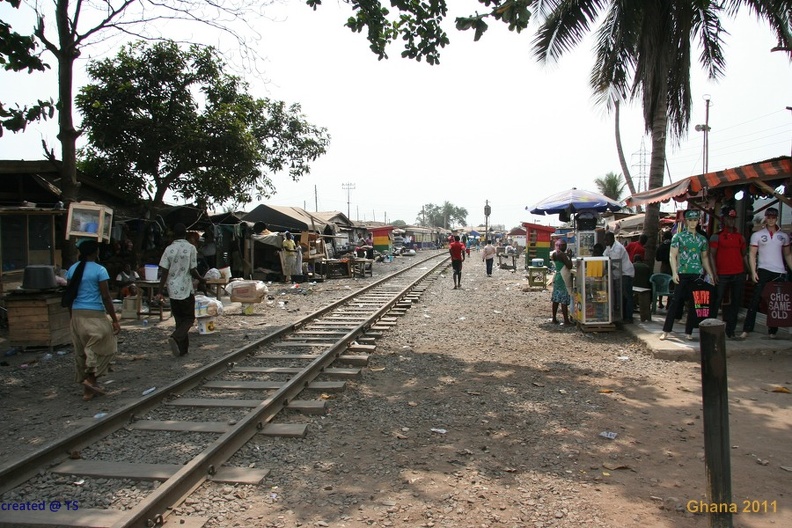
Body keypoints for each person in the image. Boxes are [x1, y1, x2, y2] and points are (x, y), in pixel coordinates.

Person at [65, 240, 121, 401]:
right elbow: (106, 297)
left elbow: (69, 295)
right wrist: (115, 320)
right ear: (94, 252)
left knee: (83, 350)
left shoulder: (72, 269)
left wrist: (72, 316)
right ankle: (90, 380)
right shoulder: (100, 270)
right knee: (105, 344)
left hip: (76, 314)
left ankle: (88, 390)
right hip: (94, 313)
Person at [659, 210, 716, 341]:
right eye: (690, 220)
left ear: (698, 221)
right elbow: (672, 255)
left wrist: (711, 274)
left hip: (697, 273)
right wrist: (674, 272)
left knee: (694, 303)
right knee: (675, 302)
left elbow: (705, 257)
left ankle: (689, 331)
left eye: (695, 220)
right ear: (686, 221)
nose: (692, 222)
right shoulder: (678, 237)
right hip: (683, 272)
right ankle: (666, 330)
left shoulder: (702, 239)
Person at [740, 207, 792, 339]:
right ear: (765, 217)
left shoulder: (783, 236)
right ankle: (747, 329)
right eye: (769, 217)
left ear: (777, 218)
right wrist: (753, 271)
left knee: (776, 302)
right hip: (763, 269)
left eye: (773, 217)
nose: (771, 220)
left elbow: (788, 255)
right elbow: (752, 254)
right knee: (755, 299)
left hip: (779, 271)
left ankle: (772, 331)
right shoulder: (757, 235)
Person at [157, 223, 206, 357]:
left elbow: (164, 271)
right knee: (189, 318)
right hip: (185, 289)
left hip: (172, 289)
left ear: (173, 234)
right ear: (185, 234)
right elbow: (193, 270)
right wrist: (202, 279)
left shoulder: (169, 249)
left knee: (179, 319)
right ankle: (175, 337)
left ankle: (183, 350)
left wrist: (160, 291)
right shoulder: (191, 248)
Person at [709, 204, 747, 338]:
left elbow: (744, 255)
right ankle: (711, 328)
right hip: (722, 273)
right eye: (729, 218)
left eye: (733, 218)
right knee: (717, 300)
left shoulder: (740, 237)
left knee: (736, 302)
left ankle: (730, 330)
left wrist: (748, 271)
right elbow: (711, 255)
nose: (731, 221)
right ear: (723, 219)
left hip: (738, 273)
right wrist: (714, 272)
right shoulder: (716, 236)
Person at [604, 231, 636, 324]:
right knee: (620, 296)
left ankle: (629, 317)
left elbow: (614, 263)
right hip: (618, 274)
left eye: (606, 239)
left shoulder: (618, 248)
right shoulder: (609, 247)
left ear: (611, 239)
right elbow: (604, 256)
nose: (605, 241)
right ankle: (622, 315)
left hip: (626, 273)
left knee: (627, 295)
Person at [550, 239, 573, 325]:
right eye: (563, 245)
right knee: (564, 299)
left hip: (557, 277)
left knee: (556, 298)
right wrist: (570, 257)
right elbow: (569, 266)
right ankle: (566, 320)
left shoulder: (555, 254)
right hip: (563, 278)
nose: (565, 246)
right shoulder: (562, 255)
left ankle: (554, 319)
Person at [655, 230, 673, 308]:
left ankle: (660, 303)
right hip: (671, 266)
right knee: (671, 285)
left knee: (662, 282)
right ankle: (669, 303)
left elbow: (657, 257)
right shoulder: (673, 245)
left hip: (664, 266)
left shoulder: (661, 246)